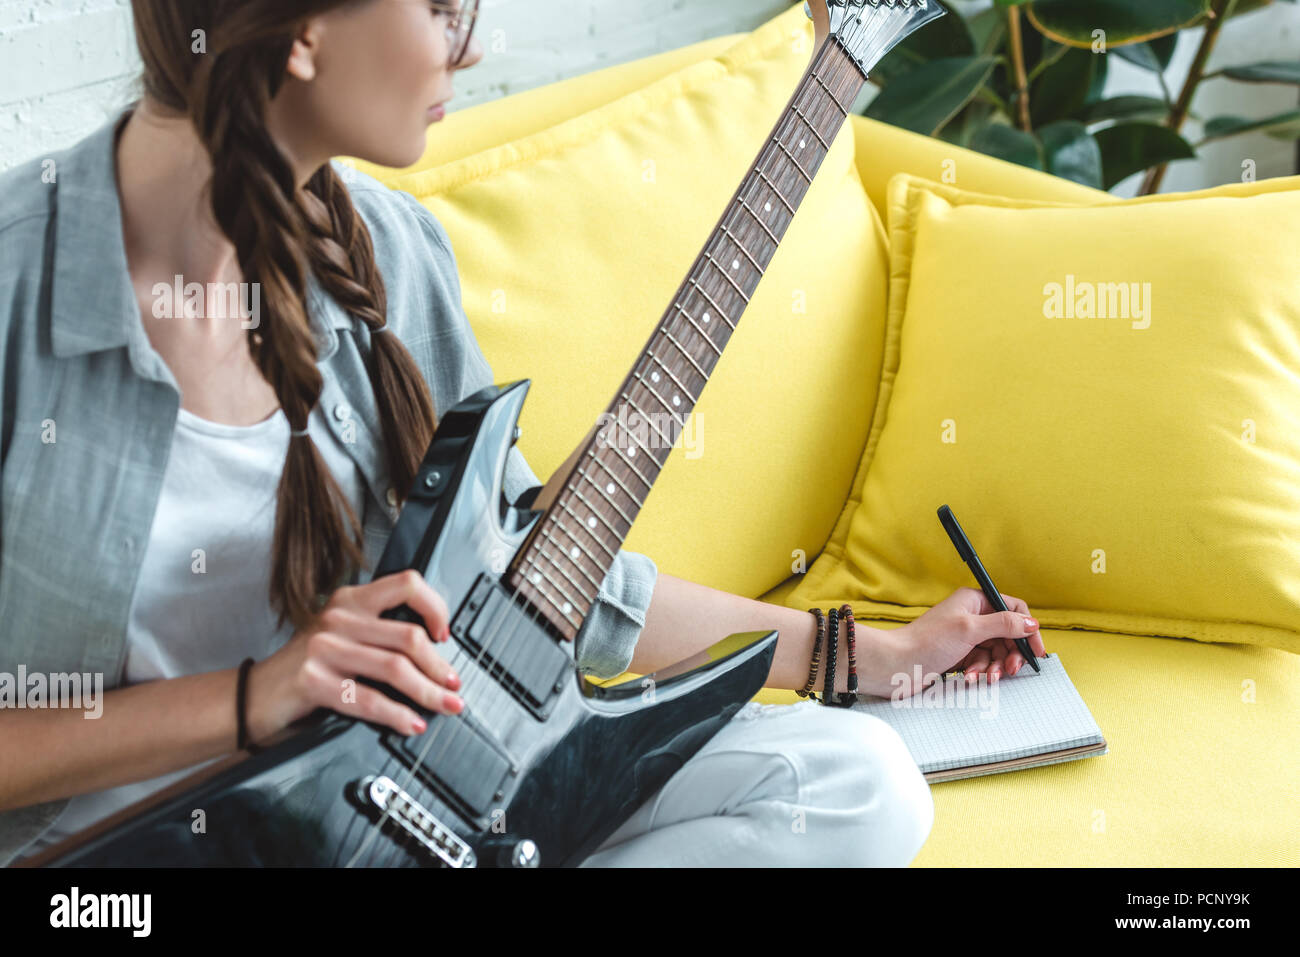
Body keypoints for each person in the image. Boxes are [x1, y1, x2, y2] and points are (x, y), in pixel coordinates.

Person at [0, 0, 1045, 867]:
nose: (473, 47)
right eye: (442, 8)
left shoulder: (391, 255)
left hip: (435, 793)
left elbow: (525, 592)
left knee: (858, 784)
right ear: (305, 34)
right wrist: (256, 698)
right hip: (135, 860)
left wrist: (869, 653)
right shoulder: (17, 287)